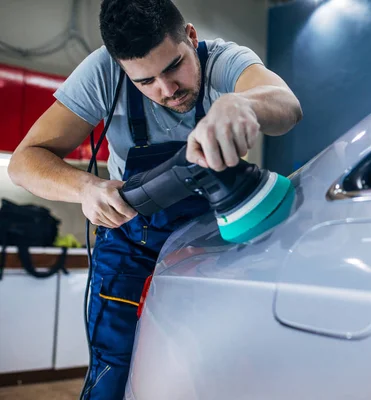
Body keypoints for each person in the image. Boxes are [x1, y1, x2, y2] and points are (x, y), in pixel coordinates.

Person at [7, 0, 302, 398]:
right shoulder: (102, 72)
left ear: (191, 37)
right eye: (144, 81)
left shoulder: (225, 60)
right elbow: (24, 162)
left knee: (210, 366)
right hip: (129, 241)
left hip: (212, 243)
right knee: (113, 366)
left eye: (173, 66)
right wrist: (85, 188)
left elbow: (287, 107)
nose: (166, 90)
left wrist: (241, 104)